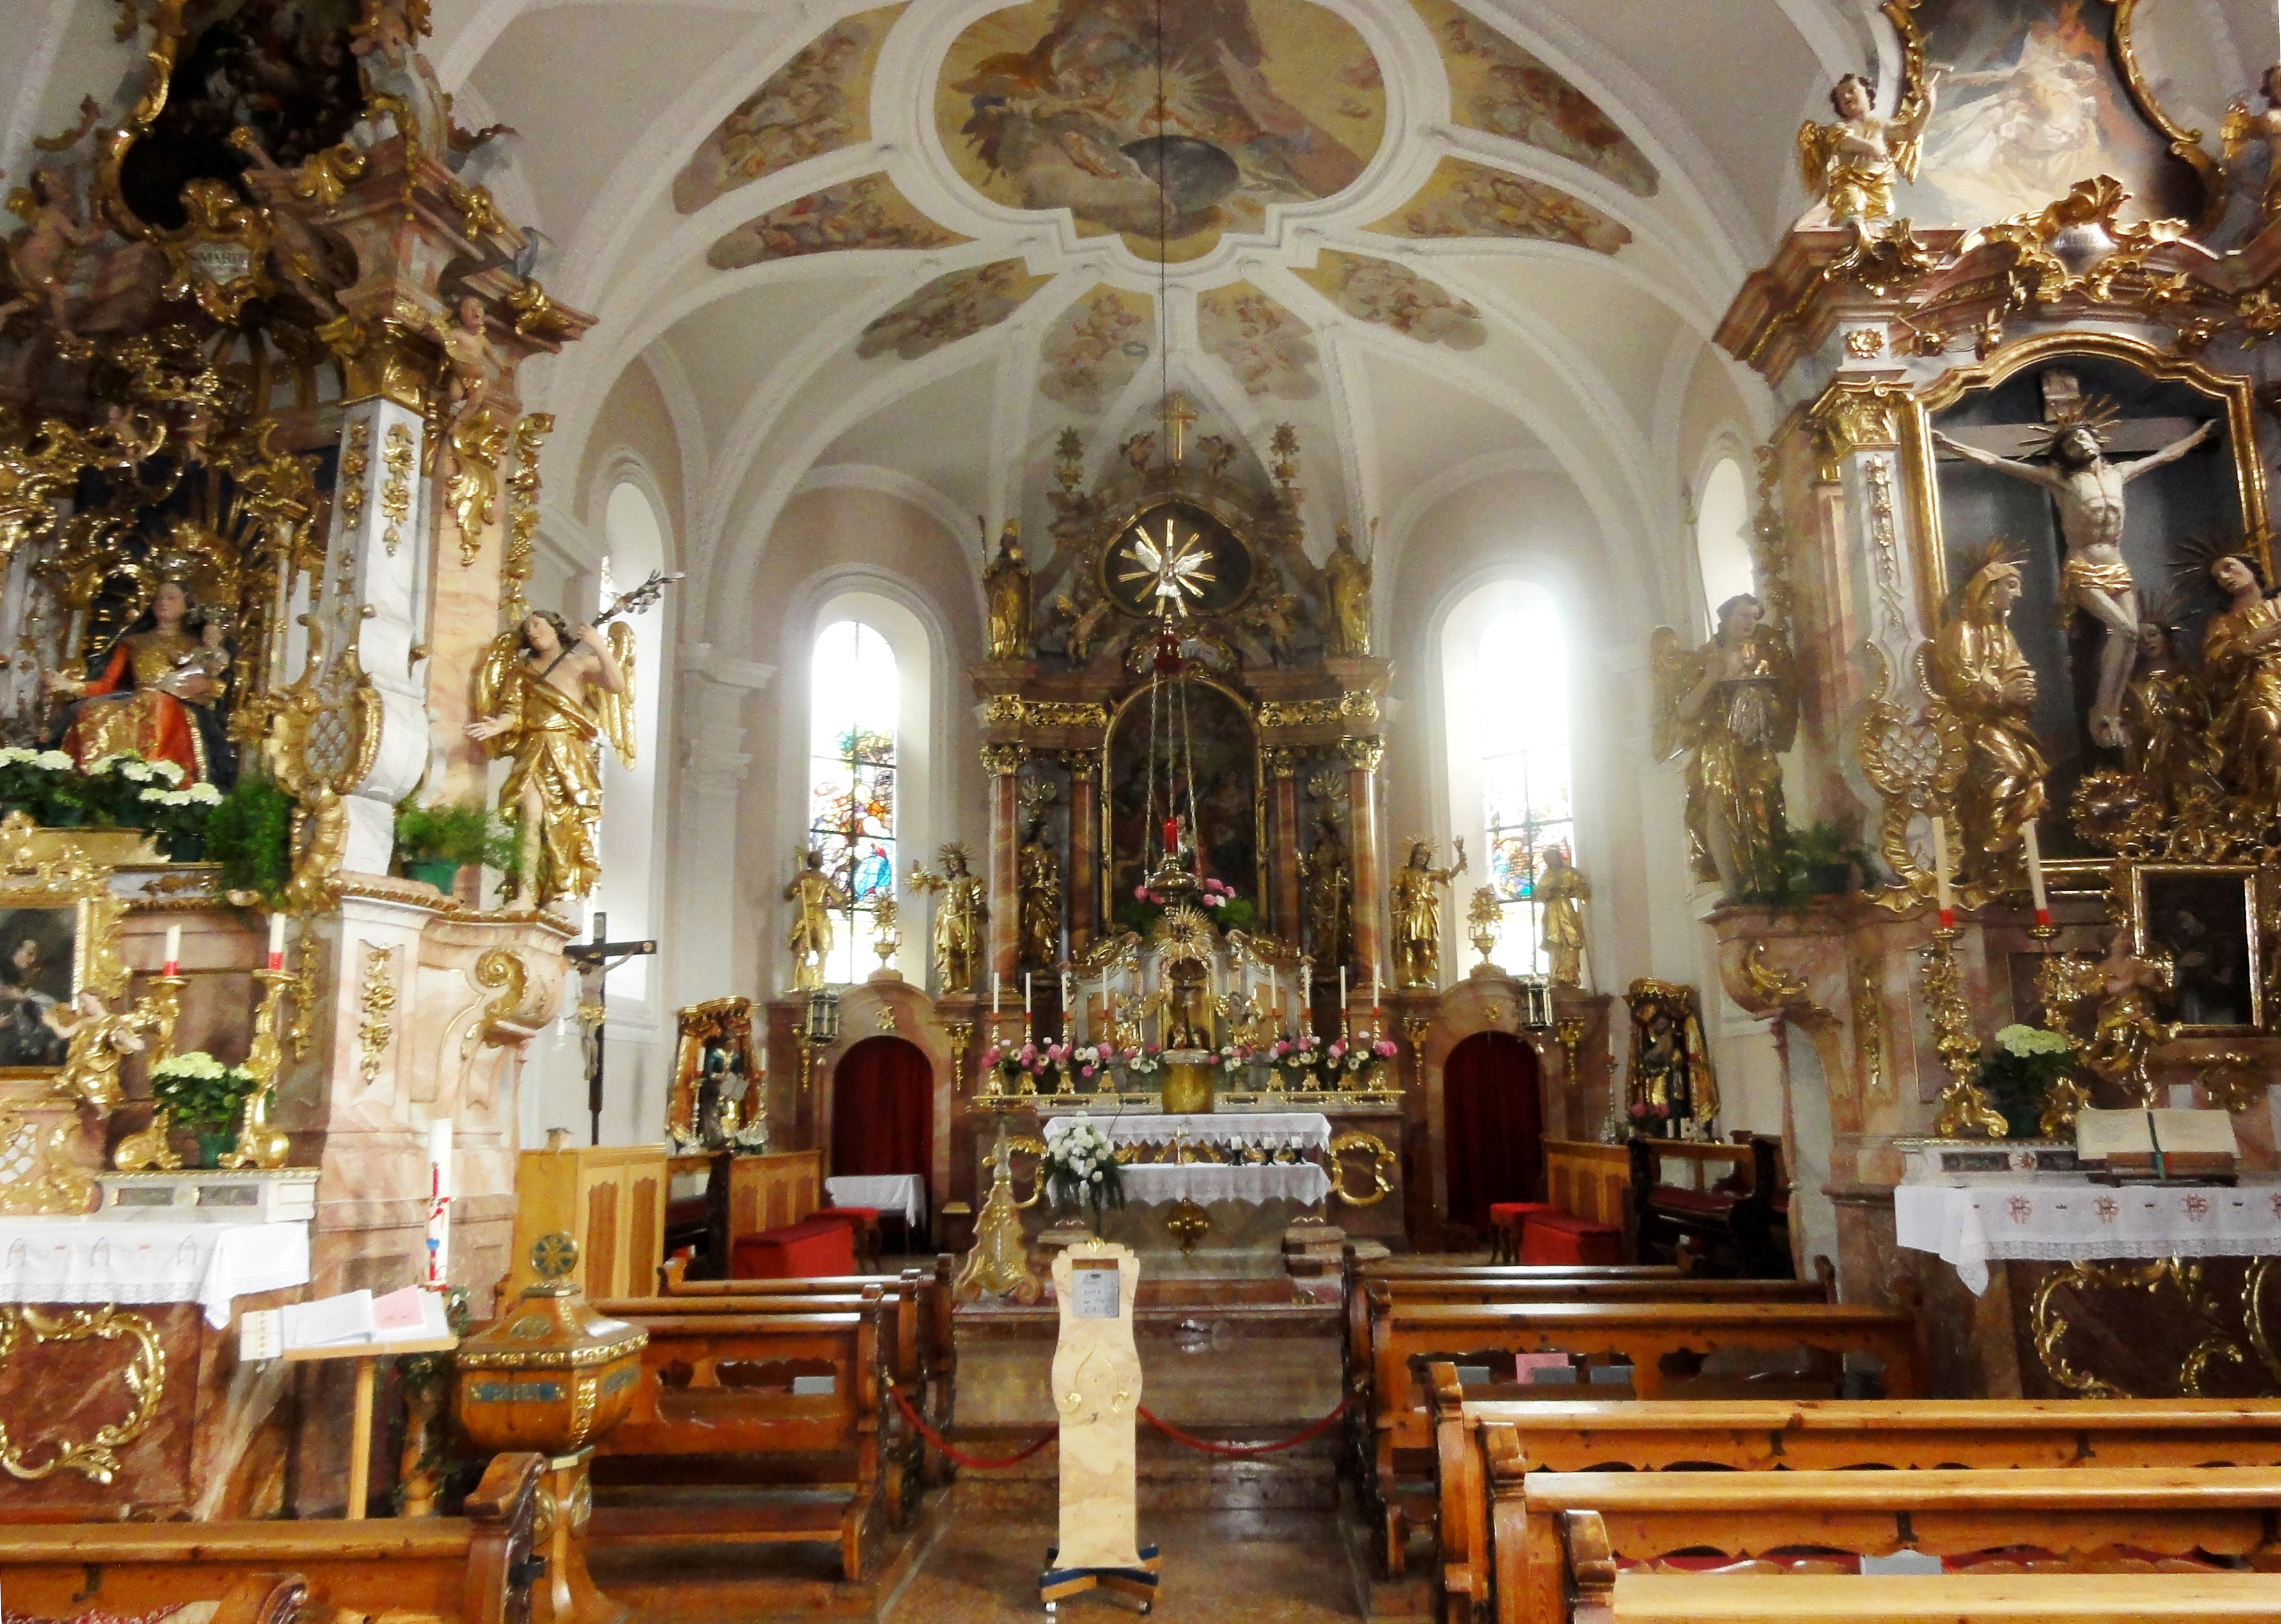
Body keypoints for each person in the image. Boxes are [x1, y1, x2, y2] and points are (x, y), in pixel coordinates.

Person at [1933, 409, 2216, 748]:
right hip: (2084, 565)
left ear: (2096, 441)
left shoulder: (2119, 473)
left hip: (2117, 564)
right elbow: (1997, 462)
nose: (2080, 444)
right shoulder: (2061, 480)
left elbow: (2164, 455)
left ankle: (2111, 709)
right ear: (2064, 454)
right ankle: (2101, 709)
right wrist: (1951, 445)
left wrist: (2198, 437)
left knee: (2131, 636)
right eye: (2071, 443)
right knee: (2123, 629)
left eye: (2084, 437)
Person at [467, 609, 633, 907]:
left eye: (537, 624)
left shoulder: (580, 663)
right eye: (527, 629)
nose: (532, 632)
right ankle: (524, 894)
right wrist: (498, 725)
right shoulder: (524, 671)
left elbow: (617, 685)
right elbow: (514, 711)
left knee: (562, 823)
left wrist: (597, 645)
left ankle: (553, 894)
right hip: (535, 748)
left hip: (568, 751)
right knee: (530, 815)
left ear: (555, 627)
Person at [47, 581, 234, 785]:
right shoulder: (134, 642)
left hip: (176, 704)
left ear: (187, 606)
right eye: (158, 598)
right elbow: (107, 684)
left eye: (171, 598)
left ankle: (157, 777)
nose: (163, 603)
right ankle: (99, 780)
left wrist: (206, 685)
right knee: (93, 712)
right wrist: (69, 686)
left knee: (158, 703)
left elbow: (217, 682)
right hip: (134, 701)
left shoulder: (198, 646)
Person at [2200, 552, 2281, 807]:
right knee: (2271, 730)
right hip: (2255, 686)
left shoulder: (2278, 604)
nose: (2225, 577)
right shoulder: (2222, 623)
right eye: (2218, 577)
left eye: (2229, 567)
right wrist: (2251, 642)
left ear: (2251, 568)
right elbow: (2213, 668)